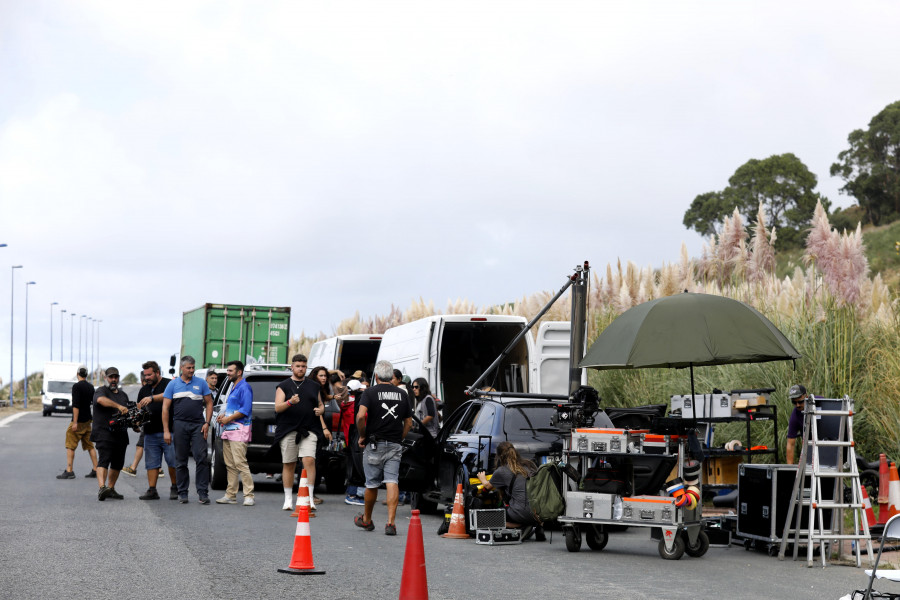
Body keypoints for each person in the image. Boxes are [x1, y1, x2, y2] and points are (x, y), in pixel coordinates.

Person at [353, 360, 412, 536]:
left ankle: (367, 520)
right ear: (391, 376)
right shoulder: (402, 394)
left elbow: (361, 416)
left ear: (377, 376)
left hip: (374, 443)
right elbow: (408, 422)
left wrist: (362, 435)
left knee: (372, 483)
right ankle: (391, 523)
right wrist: (399, 438)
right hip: (394, 444)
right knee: (392, 481)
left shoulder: (369, 392)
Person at [273, 354, 326, 512]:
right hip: (289, 429)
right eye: (298, 366)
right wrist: (290, 402)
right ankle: (288, 498)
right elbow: (277, 407)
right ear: (292, 367)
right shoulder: (283, 385)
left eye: (303, 366)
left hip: (309, 429)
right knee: (289, 463)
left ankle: (309, 497)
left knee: (309, 460)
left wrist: (320, 410)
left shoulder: (313, 386)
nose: (301, 369)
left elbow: (321, 404)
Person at [163, 355, 213, 504]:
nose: (192, 370)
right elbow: (165, 408)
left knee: (201, 458)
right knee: (181, 460)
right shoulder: (173, 385)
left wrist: (207, 423)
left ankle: (203, 492)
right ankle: (182, 492)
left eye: (193, 367)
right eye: (189, 368)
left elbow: (209, 403)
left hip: (198, 424)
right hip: (179, 424)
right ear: (182, 368)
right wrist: (166, 430)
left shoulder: (201, 383)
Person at [476, 441, 546, 541]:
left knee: (495, 517)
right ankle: (537, 525)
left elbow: (487, 486)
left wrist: (482, 478)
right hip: (538, 513)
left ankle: (519, 526)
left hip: (518, 514)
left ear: (499, 456)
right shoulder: (530, 465)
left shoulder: (501, 471)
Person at [215, 360, 255, 506]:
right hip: (229, 430)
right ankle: (231, 495)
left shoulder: (245, 387)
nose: (228, 373)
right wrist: (223, 416)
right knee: (230, 464)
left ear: (239, 372)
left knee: (240, 463)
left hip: (239, 431)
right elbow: (233, 407)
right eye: (227, 370)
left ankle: (249, 495)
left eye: (230, 371)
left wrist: (228, 419)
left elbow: (245, 410)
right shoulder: (234, 386)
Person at [136, 360, 176, 500]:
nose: (146, 378)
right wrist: (136, 422)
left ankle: (175, 487)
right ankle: (152, 490)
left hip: (169, 431)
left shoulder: (168, 384)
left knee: (173, 461)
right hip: (150, 432)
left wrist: (152, 398)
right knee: (152, 463)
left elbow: (168, 396)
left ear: (157, 372)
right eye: (145, 375)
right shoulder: (144, 389)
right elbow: (139, 408)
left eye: (149, 375)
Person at [91, 367, 130, 501]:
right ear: (106, 378)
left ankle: (111, 488)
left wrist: (135, 425)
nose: (113, 380)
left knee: (117, 463)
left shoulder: (123, 395)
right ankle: (102, 488)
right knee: (104, 460)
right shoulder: (101, 391)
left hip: (121, 435)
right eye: (111, 377)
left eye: (116, 377)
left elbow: (128, 413)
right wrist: (118, 406)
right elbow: (101, 400)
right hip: (104, 433)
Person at [56, 367, 98, 479]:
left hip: (78, 421)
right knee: (90, 445)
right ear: (86, 375)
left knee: (70, 445)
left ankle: (69, 471)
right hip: (88, 420)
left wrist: (75, 422)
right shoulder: (91, 387)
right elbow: (93, 403)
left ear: (77, 374)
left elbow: (76, 405)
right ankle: (96, 469)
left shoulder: (76, 386)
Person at [308, 366, 334, 505]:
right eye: (321, 375)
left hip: (315, 429)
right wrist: (324, 428)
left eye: (325, 376)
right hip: (314, 428)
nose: (324, 378)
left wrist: (334, 396)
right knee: (311, 462)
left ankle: (309, 493)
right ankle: (309, 494)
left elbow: (324, 401)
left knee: (314, 461)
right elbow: (317, 411)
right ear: (315, 376)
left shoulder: (319, 389)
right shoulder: (314, 388)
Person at [342, 378, 366, 505]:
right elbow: (362, 419)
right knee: (358, 467)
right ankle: (354, 494)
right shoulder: (355, 404)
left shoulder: (345, 403)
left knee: (352, 466)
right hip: (357, 438)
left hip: (349, 438)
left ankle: (353, 493)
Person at [786, 383, 811, 464]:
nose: (797, 405)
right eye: (794, 403)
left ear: (806, 397)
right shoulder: (795, 416)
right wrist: (789, 469)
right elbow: (791, 444)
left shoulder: (819, 402)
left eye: (800, 402)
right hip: (809, 447)